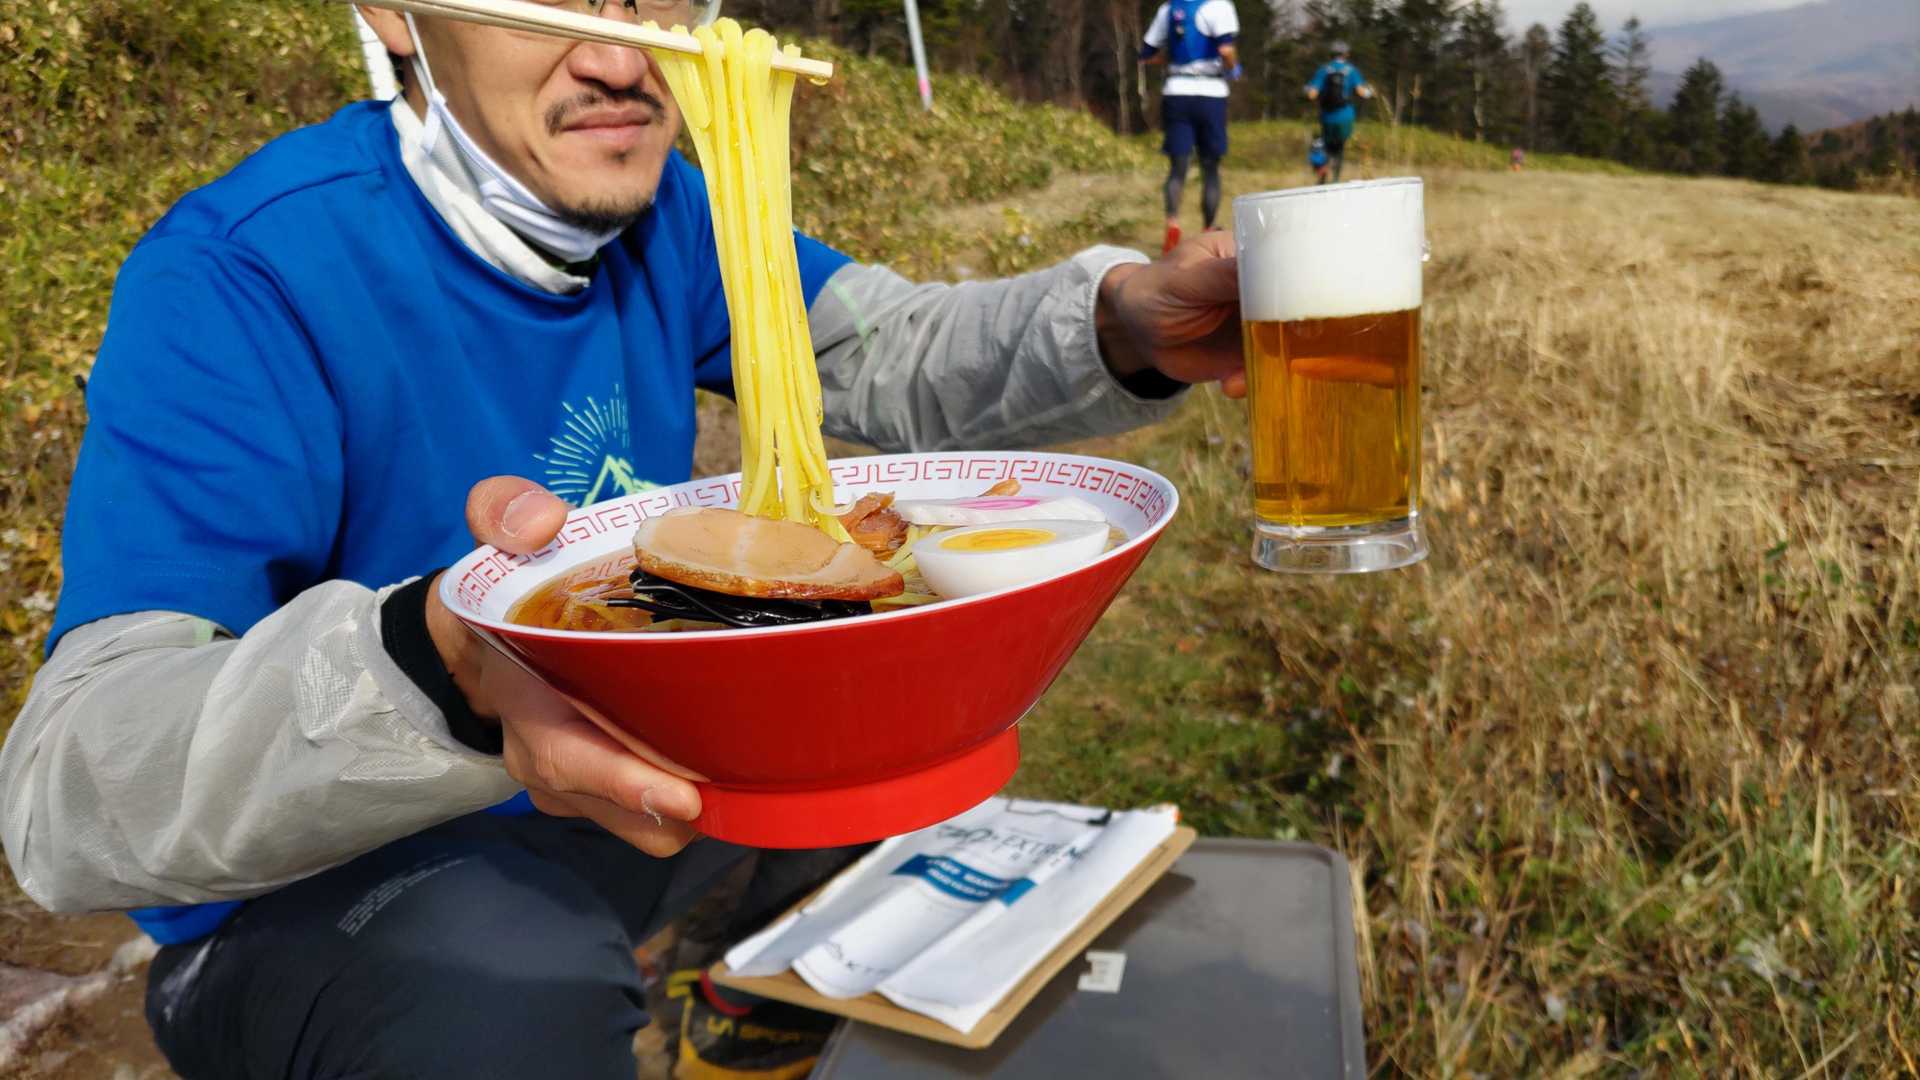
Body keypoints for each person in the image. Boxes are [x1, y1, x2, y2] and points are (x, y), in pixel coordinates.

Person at [0, 2, 1248, 1077]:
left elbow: (882, 350)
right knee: (502, 987)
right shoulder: (245, 276)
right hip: (326, 896)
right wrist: (444, 663)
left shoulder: (672, 220)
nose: (624, 54)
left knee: (868, 710)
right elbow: (68, 789)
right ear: (389, 13)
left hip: (614, 801)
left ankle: (745, 1017)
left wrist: (1120, 324)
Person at [1140, 0, 1241, 254]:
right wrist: (1234, 68)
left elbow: (1146, 54)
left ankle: (1172, 223)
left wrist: (1172, 60)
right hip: (1211, 93)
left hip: (1176, 92)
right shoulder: (1219, 6)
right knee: (1210, 168)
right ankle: (1208, 229)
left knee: (1177, 168)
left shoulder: (1168, 9)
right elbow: (1226, 50)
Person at [1304, 40, 1373, 184]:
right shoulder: (1351, 70)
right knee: (1339, 148)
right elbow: (1362, 92)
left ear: (1331, 54)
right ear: (1346, 54)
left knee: (1326, 146)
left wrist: (1306, 90)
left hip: (1327, 116)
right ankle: (1335, 179)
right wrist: (1371, 92)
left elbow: (1312, 94)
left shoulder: (1324, 70)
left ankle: (1322, 176)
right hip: (1346, 116)